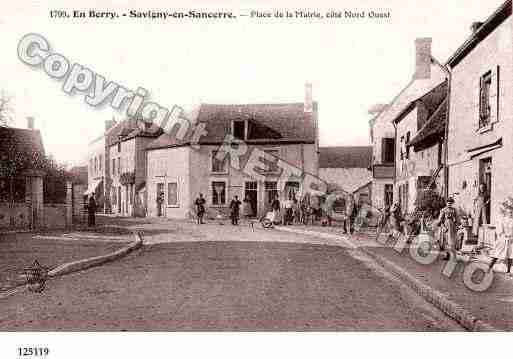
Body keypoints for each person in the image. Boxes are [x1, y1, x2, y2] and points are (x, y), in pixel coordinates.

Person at [488, 201, 513, 274]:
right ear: (506, 213)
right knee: (497, 253)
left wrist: (511, 237)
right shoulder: (503, 220)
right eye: (509, 212)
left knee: (510, 255)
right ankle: (489, 268)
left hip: (511, 239)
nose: (510, 214)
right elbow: (499, 228)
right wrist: (503, 235)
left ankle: (508, 271)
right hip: (503, 238)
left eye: (511, 212)